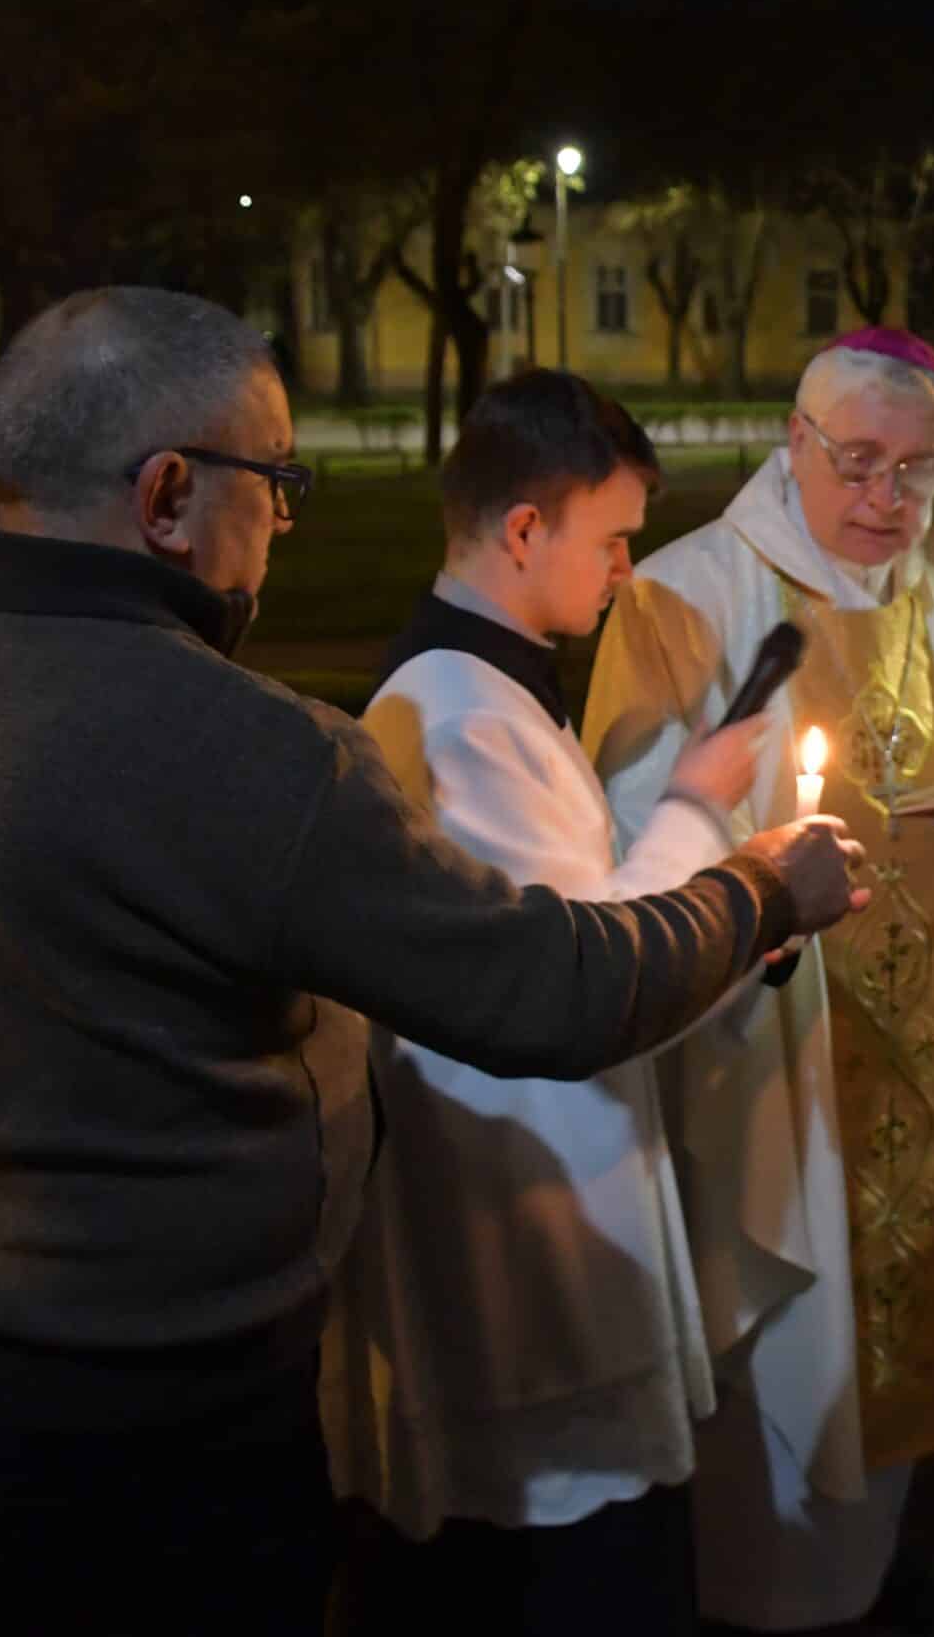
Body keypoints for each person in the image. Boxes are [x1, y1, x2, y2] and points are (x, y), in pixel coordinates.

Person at [0, 288, 861, 1637]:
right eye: (280, 481)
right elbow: (553, 987)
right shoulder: (246, 746)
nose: (288, 523)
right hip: (154, 1397)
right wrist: (762, 878)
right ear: (171, 491)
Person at [582, 328, 934, 1632]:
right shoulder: (685, 594)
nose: (886, 501)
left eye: (919, 472)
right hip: (767, 1032)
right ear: (793, 441)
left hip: (930, 1020)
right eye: (857, 462)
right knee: (779, 1314)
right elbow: (631, 832)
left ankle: (854, 1581)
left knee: (899, 1319)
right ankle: (753, 1592)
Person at [321, 371, 785, 1631]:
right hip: (524, 1225)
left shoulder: (484, 687)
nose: (625, 570)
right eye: (612, 538)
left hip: (529, 1199)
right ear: (525, 529)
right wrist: (708, 822)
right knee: (568, 1566)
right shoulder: (462, 715)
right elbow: (581, 984)